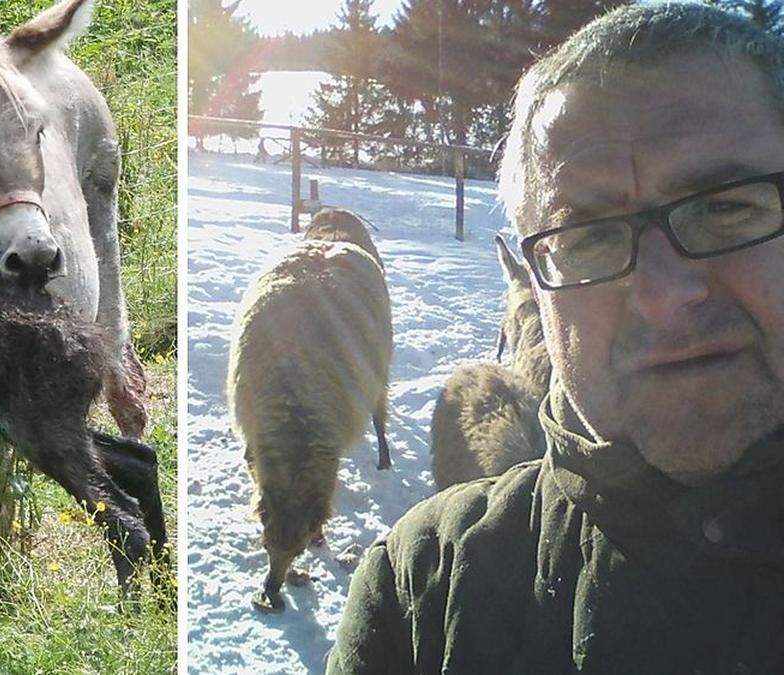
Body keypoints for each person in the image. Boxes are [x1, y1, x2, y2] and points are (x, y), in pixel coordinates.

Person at [327, 4, 784, 673]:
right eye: (588, 237)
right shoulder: (423, 588)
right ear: (535, 285)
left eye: (726, 206)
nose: (663, 296)